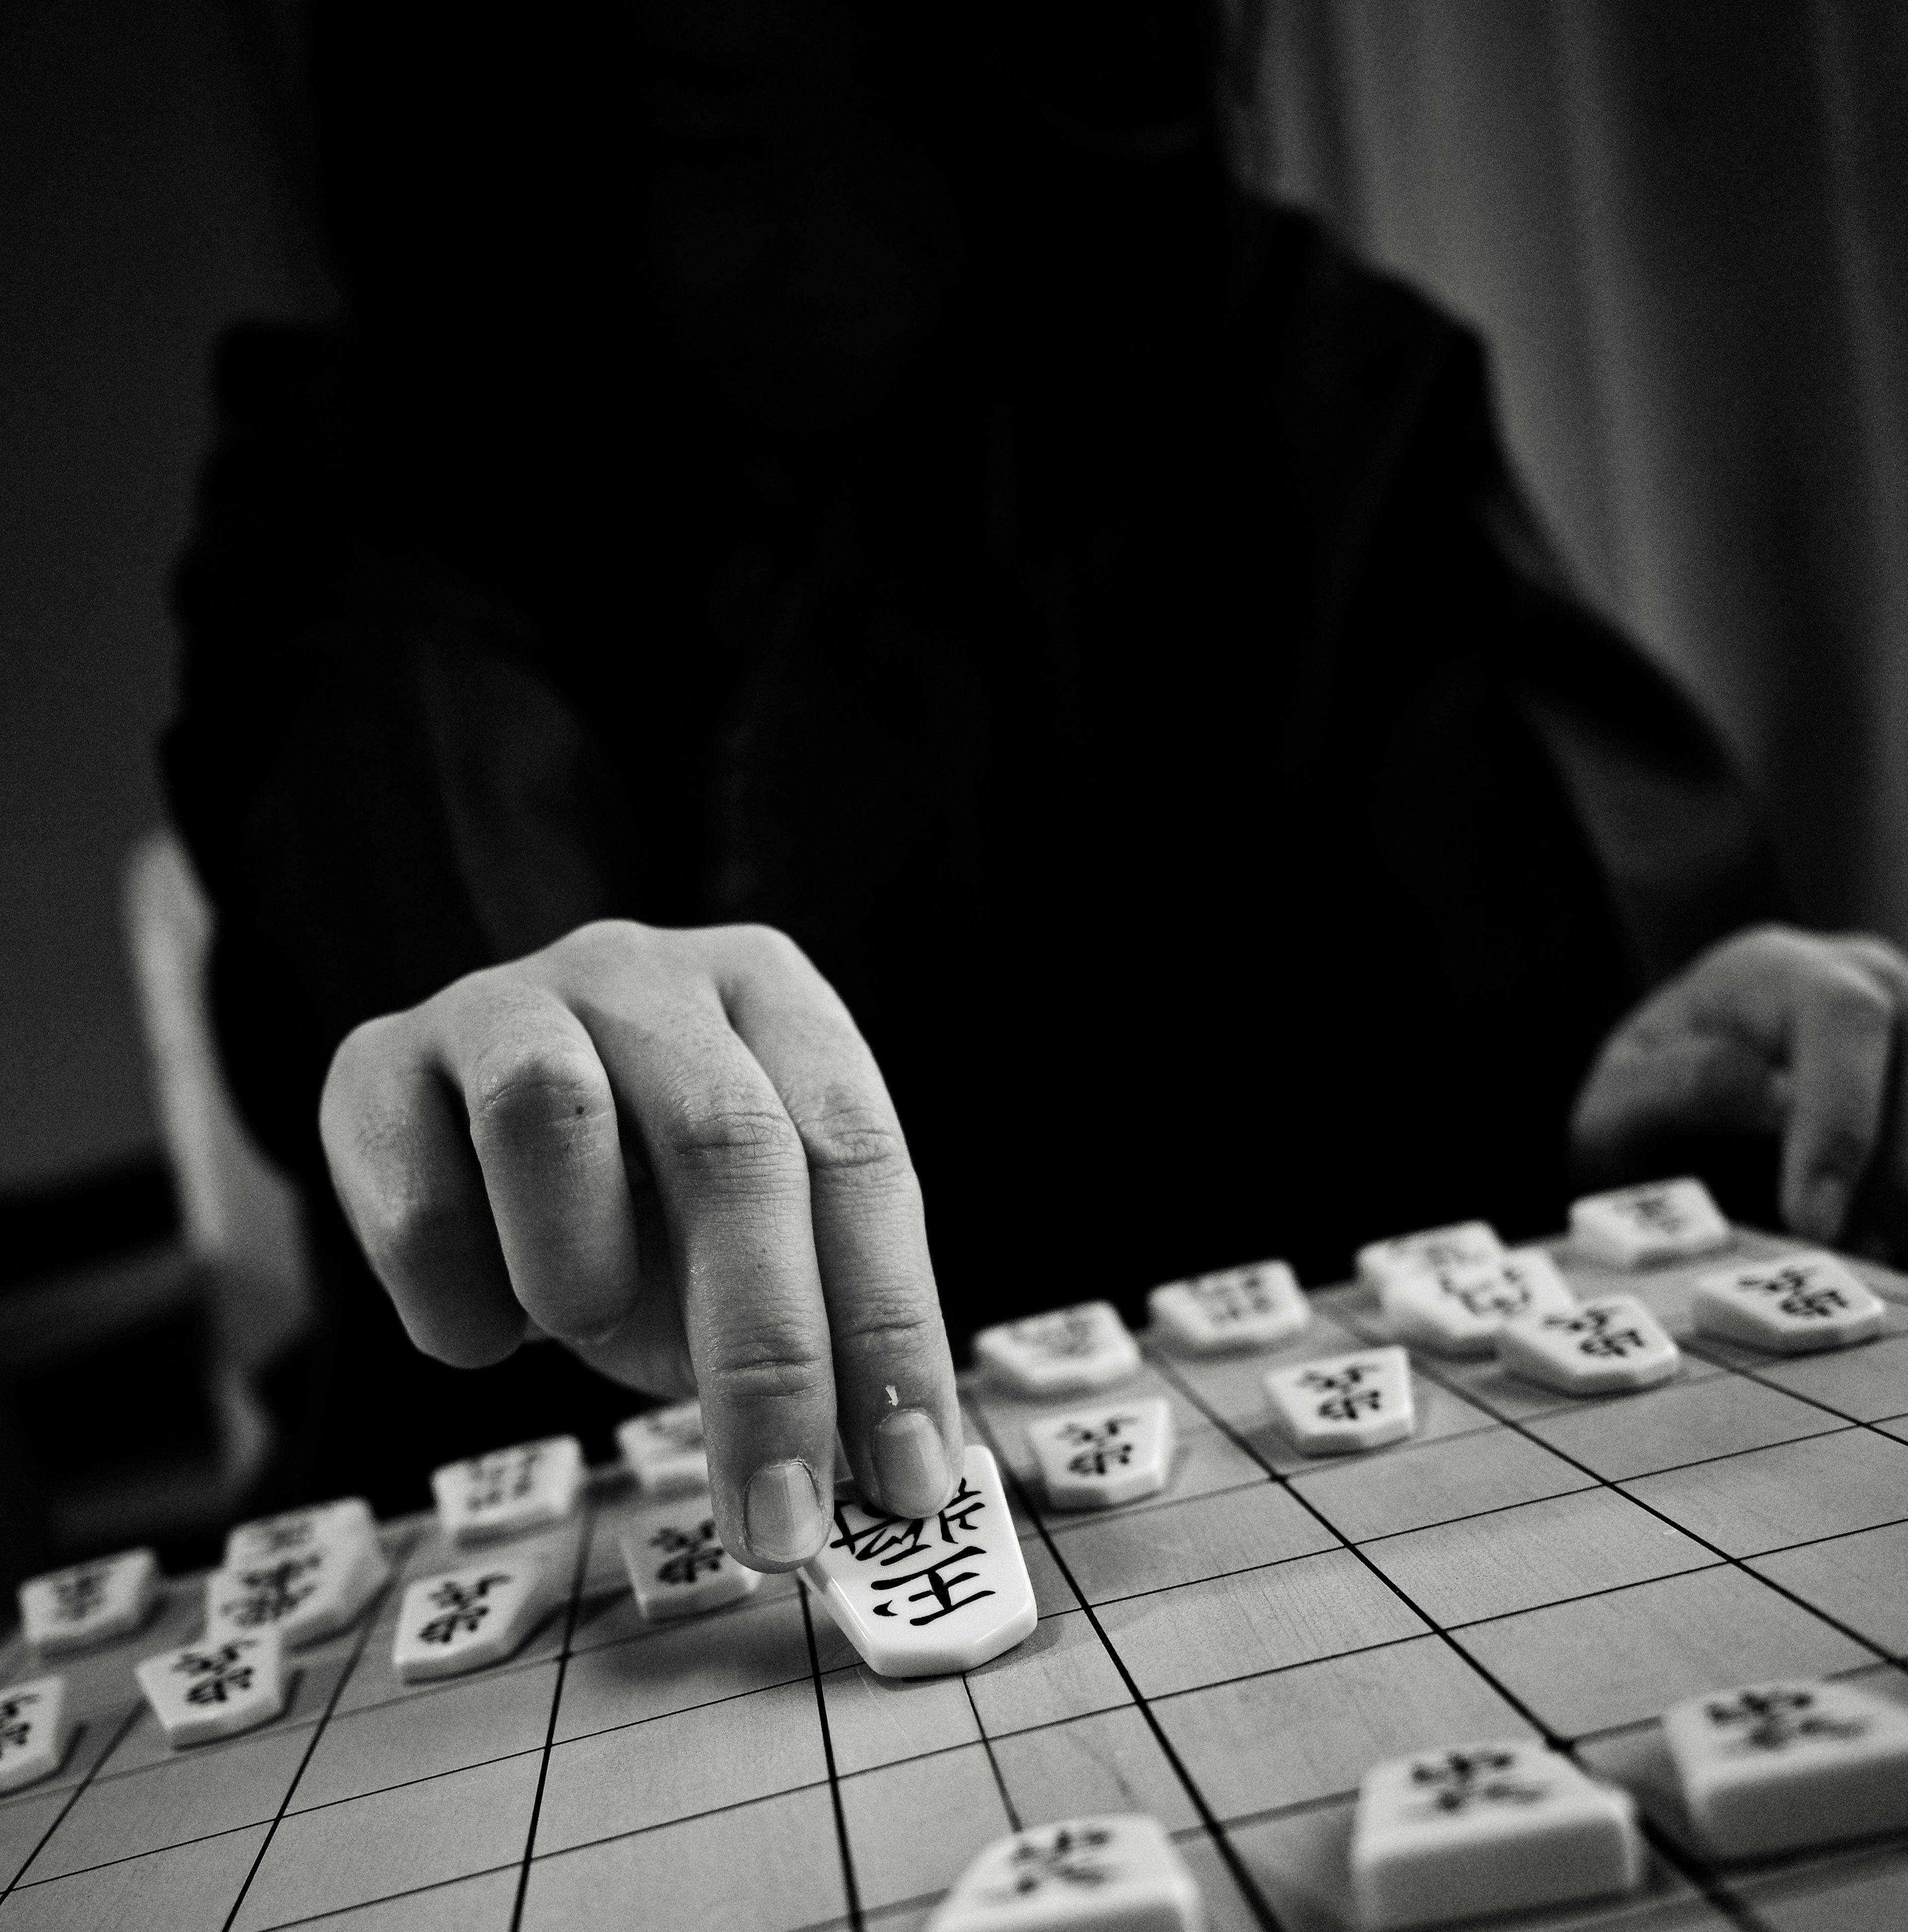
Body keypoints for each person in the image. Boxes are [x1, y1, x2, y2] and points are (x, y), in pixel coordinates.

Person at [163, 0, 1908, 1569]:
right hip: (576, 1556)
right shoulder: (367, 475)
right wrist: (539, 1059)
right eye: (703, 132)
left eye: (887, 96)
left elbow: (1569, 1042)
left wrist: (1678, 1085)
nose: (807, 224)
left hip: (1290, 1519)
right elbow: (402, 884)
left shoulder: (1292, 369)